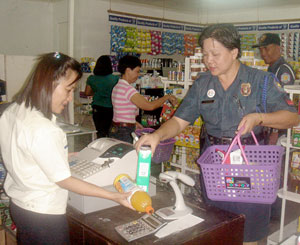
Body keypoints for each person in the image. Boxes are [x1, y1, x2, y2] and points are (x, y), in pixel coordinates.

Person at [135, 24, 299, 245]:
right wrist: (158, 135)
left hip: (250, 163)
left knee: (247, 228)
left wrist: (259, 118)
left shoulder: (261, 81)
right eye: (205, 54)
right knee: (218, 224)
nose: (208, 60)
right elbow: (179, 120)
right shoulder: (203, 84)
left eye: (215, 54)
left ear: (234, 52)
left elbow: (292, 116)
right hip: (215, 165)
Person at [0, 52, 133, 245]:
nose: (70, 98)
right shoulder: (44, 129)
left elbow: (22, 152)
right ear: (48, 84)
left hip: (20, 207)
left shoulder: (13, 111)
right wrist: (113, 195)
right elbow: (65, 180)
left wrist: (65, 155)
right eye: (68, 90)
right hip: (44, 216)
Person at [109, 55, 178, 143]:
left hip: (116, 128)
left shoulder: (118, 86)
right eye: (137, 72)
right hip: (124, 131)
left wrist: (134, 123)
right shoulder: (127, 89)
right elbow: (149, 106)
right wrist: (166, 97)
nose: (138, 75)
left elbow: (122, 112)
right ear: (128, 70)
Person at [253, 33, 296, 145]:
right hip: (271, 125)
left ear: (278, 48)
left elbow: (284, 102)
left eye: (266, 49)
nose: (263, 54)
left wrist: (275, 132)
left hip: (280, 128)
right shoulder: (272, 68)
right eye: (261, 50)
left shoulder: (283, 70)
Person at [84, 55, 119, 138]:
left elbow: (87, 92)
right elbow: (118, 93)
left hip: (97, 107)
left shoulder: (91, 78)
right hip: (110, 108)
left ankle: (100, 146)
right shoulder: (115, 79)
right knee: (109, 131)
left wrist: (97, 92)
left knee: (99, 131)